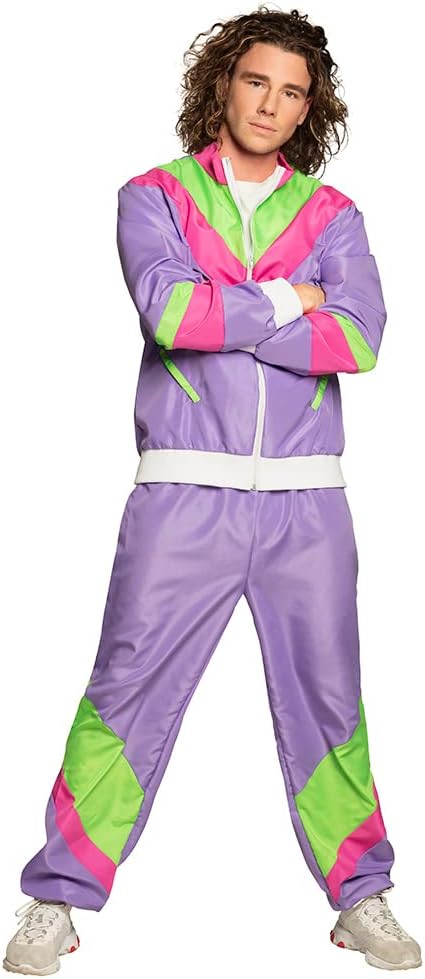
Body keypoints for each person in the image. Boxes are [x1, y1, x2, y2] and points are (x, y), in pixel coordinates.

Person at [3, 5, 421, 975]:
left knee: (330, 701)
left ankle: (359, 894)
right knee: (124, 692)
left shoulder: (334, 215)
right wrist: (290, 298)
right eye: (255, 81)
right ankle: (55, 896)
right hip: (182, 493)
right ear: (223, 85)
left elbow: (358, 338)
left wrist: (227, 310)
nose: (269, 104)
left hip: (308, 504)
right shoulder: (152, 195)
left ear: (309, 107)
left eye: (291, 91)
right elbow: (170, 314)